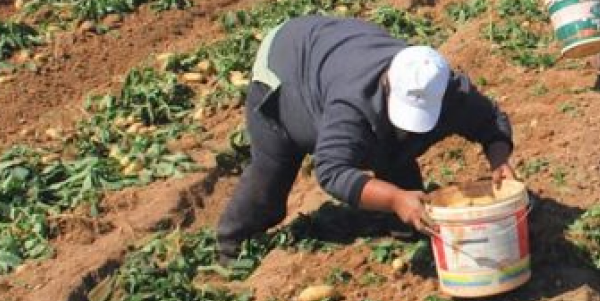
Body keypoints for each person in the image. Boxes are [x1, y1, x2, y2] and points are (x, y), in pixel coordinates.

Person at [215, 16, 516, 263]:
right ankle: (231, 243)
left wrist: (500, 159)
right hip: (286, 65)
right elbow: (332, 171)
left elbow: (490, 120)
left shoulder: (449, 91)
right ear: (387, 84)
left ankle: (398, 220)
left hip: (337, 50)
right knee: (275, 165)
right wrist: (396, 199)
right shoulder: (352, 104)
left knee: (395, 145)